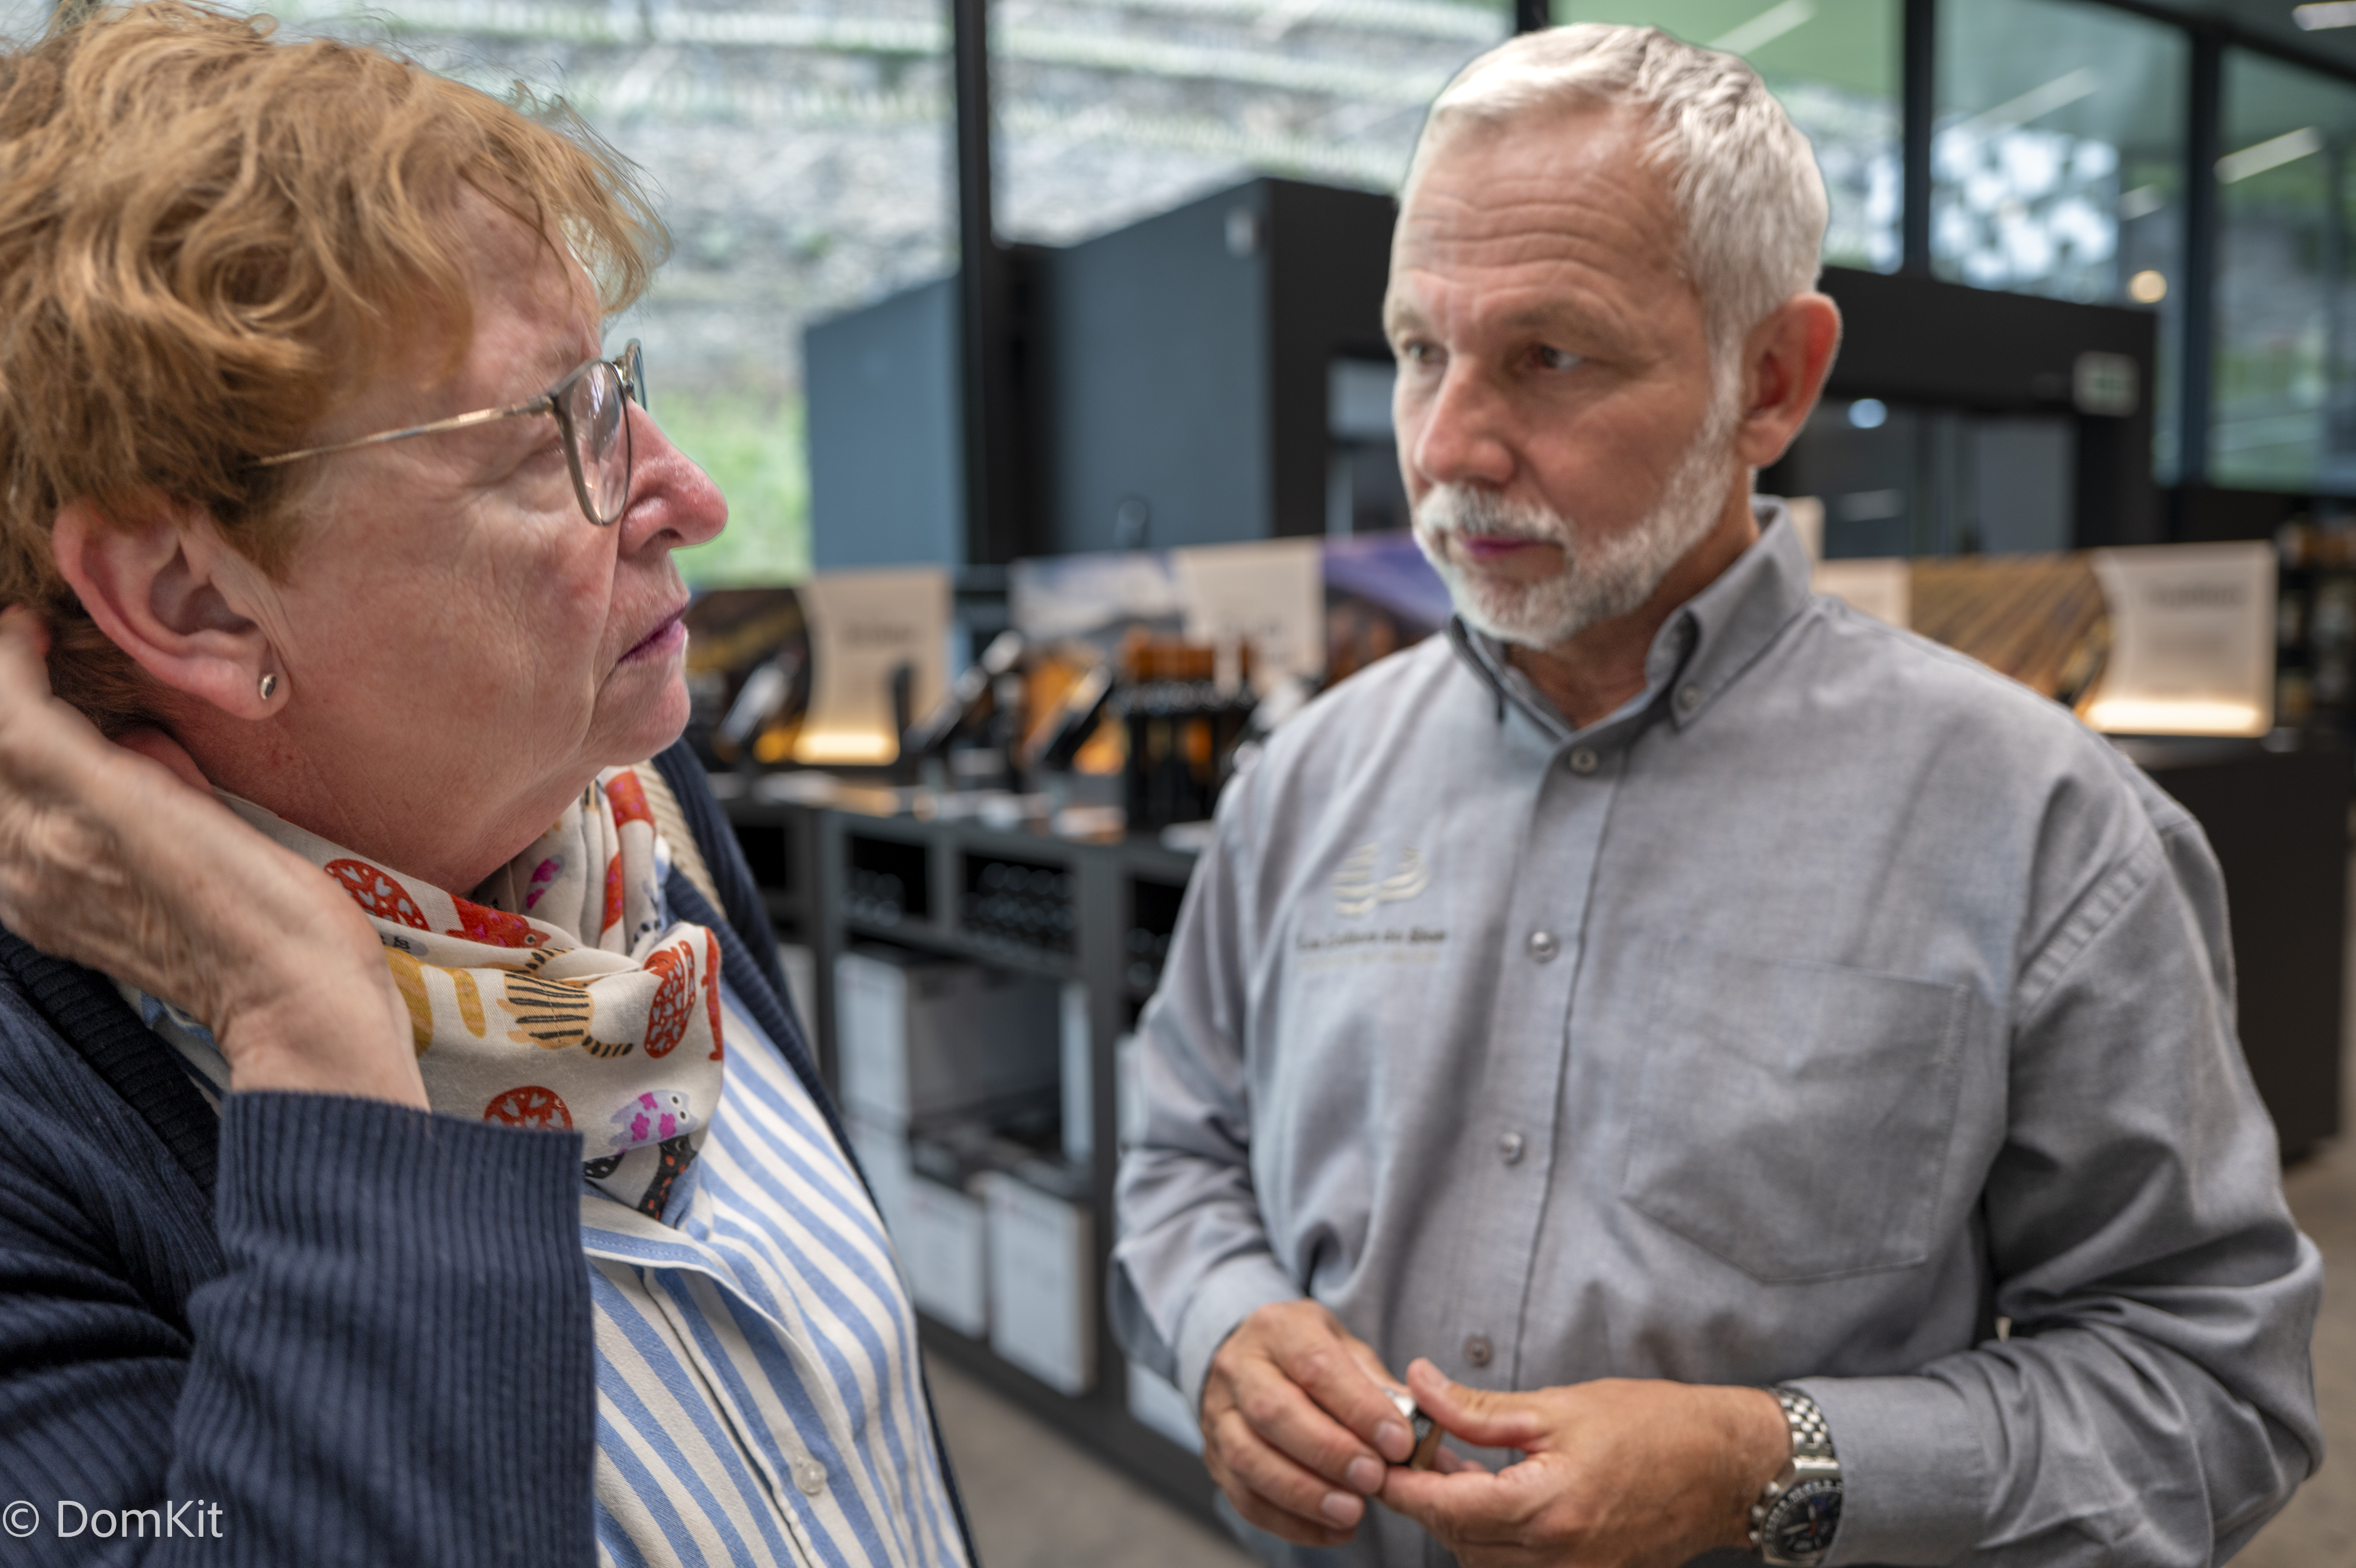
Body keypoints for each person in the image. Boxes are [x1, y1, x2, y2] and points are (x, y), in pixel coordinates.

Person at [1111, 24, 2322, 1568]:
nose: (1448, 447)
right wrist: (1223, 1324)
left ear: (1772, 381)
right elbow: (1173, 1152)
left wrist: (1783, 1458)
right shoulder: (1306, 779)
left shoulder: (2036, 826)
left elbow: (2214, 1394)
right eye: (1422, 348)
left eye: (1549, 356)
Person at [0, 6, 974, 1564]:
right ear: (196, 600)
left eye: (618, 388)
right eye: (554, 435)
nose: (694, 498)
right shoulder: (38, 1145)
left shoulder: (632, 803)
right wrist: (309, 1020)